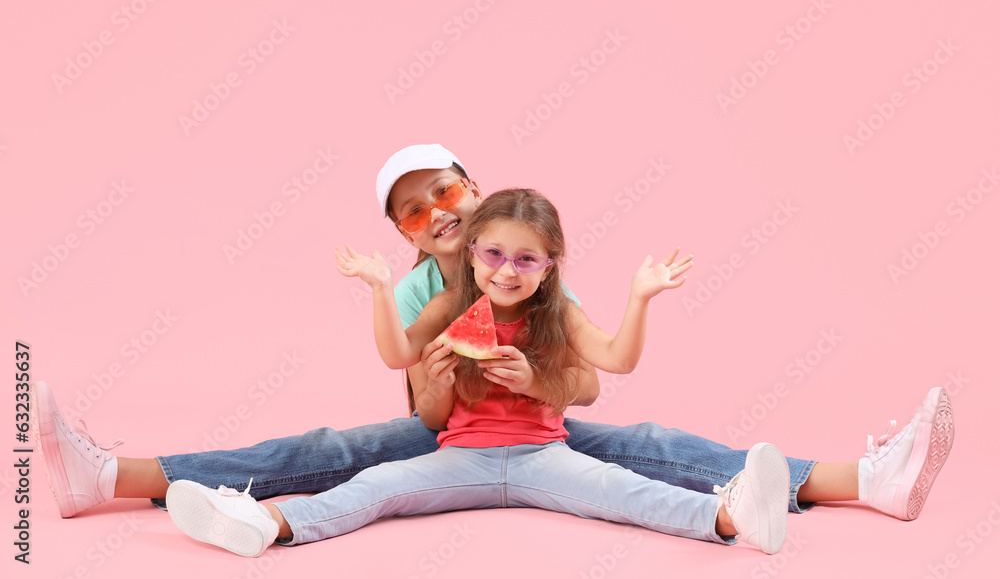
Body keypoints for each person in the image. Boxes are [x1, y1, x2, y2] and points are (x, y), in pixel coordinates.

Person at [29, 144, 954, 529]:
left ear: (474, 191)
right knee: (328, 452)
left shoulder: (517, 255)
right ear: (402, 234)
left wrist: (542, 371)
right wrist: (423, 354)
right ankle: (110, 477)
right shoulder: (438, 287)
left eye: (444, 193)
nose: (435, 213)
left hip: (536, 427)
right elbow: (416, 393)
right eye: (411, 211)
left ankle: (866, 480)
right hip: (447, 431)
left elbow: (589, 379)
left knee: (657, 446)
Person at [165, 187, 793, 556]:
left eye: (527, 259)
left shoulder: (559, 316)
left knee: (627, 495)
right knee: (372, 489)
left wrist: (640, 298)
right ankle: (261, 523)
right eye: (493, 254)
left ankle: (736, 515)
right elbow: (396, 354)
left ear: (549, 266)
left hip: (545, 455)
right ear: (472, 253)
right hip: (458, 456)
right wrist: (381, 288)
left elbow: (617, 361)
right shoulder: (449, 304)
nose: (506, 270)